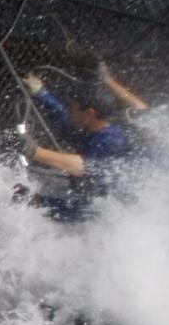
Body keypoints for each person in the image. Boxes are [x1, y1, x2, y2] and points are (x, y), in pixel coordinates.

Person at [18, 61, 148, 221]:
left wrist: (33, 151)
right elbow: (64, 115)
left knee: (34, 204)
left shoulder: (111, 139)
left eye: (73, 107)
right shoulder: (96, 127)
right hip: (98, 200)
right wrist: (41, 92)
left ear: (89, 113)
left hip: (113, 213)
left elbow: (81, 166)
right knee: (32, 201)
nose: (69, 110)